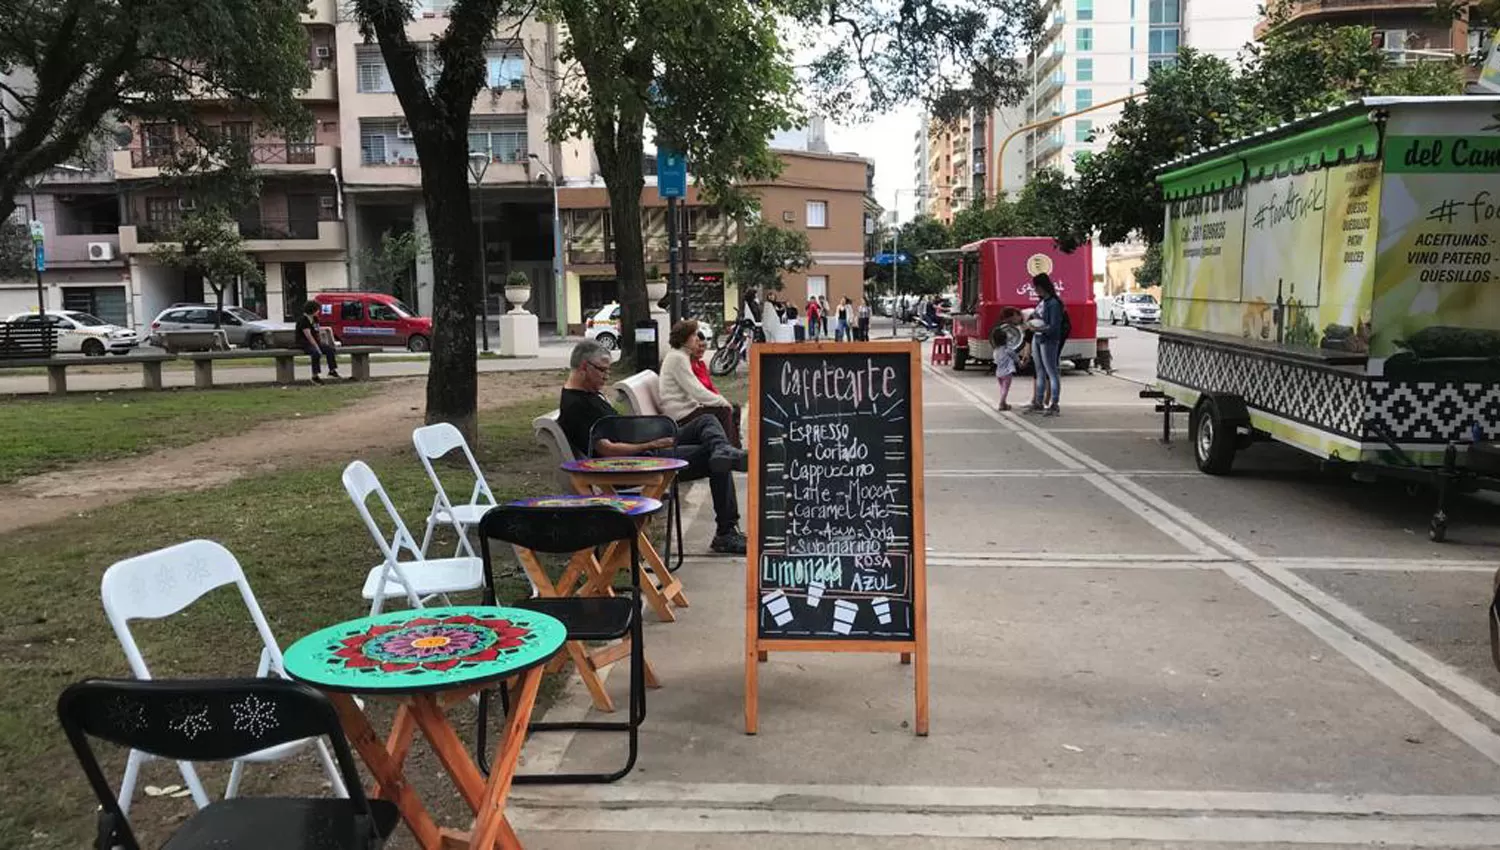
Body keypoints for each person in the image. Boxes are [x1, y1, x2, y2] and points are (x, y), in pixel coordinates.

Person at [559, 340, 748, 554]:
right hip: (632, 466)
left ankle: (723, 449)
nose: (606, 376)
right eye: (602, 370)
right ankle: (726, 532)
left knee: (707, 421)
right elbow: (607, 450)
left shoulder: (589, 394)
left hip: (644, 450)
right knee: (715, 460)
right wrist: (651, 443)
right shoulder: (576, 406)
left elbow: (618, 431)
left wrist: (650, 437)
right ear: (585, 367)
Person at [660, 319, 742, 447]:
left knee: (729, 408)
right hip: (681, 415)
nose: (697, 338)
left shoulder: (680, 355)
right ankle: (728, 450)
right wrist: (721, 400)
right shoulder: (678, 358)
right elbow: (696, 390)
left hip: (687, 409)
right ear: (684, 339)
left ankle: (734, 447)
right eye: (693, 335)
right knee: (723, 410)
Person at [1025, 274, 1065, 417]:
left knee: (1051, 371)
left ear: (1041, 287)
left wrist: (1038, 328)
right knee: (1040, 370)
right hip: (1039, 337)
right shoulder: (1043, 302)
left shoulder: (1053, 303)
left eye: (1036, 287)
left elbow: (1054, 326)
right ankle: (1039, 402)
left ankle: (1054, 404)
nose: (1035, 290)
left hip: (1048, 339)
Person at [296, 300, 340, 384]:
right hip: (304, 343)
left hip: (315, 341)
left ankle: (332, 370)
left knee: (329, 349)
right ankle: (315, 376)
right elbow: (309, 336)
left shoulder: (315, 319)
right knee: (315, 353)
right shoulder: (303, 320)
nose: (318, 311)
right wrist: (317, 348)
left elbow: (317, 332)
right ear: (312, 310)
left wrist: (322, 343)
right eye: (317, 310)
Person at [993, 307, 1025, 411]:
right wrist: (1020, 363)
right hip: (1007, 372)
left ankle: (1004, 402)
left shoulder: (996, 351)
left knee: (1002, 388)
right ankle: (1002, 403)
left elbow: (995, 361)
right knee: (1006, 389)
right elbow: (1015, 358)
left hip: (998, 373)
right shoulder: (1008, 350)